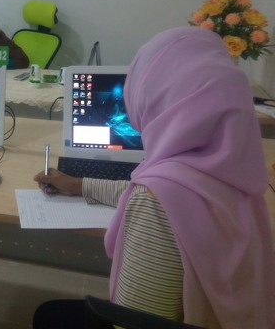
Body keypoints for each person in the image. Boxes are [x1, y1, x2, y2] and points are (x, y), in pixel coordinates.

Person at [32, 27, 275, 329]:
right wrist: (79, 185)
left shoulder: (156, 202)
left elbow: (133, 321)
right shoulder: (234, 174)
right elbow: (160, 196)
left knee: (48, 315)